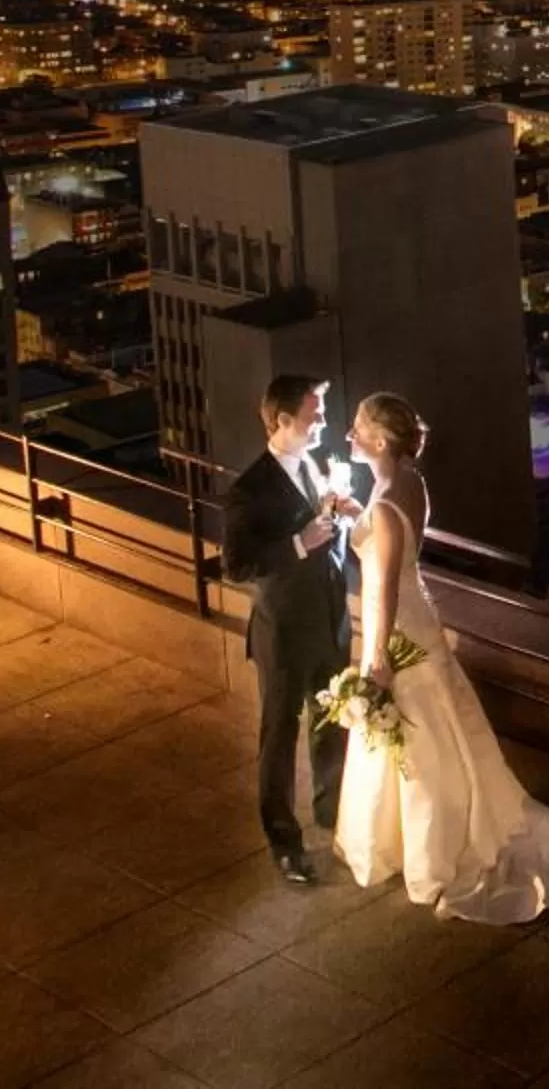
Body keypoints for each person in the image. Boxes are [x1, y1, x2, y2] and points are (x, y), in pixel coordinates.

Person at [330, 391, 549, 921]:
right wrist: (359, 513)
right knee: (436, 727)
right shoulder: (407, 483)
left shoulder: (388, 502)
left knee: (418, 738)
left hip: (398, 627)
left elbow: (382, 585)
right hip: (422, 619)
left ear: (379, 440)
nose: (348, 435)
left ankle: (431, 850)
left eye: (356, 428)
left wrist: (376, 654)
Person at [218, 373, 357, 885]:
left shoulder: (316, 467)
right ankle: (283, 841)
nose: (323, 421)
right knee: (279, 735)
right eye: (314, 413)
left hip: (327, 619)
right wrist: (299, 543)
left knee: (331, 721)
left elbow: (325, 535)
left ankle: (331, 813)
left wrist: (335, 518)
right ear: (282, 421)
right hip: (283, 631)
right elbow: (236, 565)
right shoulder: (248, 490)